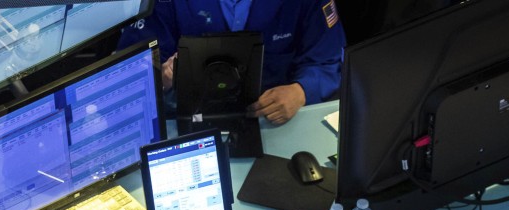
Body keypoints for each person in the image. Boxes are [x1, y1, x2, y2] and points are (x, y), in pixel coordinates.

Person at [118, 0, 347, 125]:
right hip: (185, 119)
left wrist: (302, 91)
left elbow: (328, 58)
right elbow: (131, 69)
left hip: (271, 119)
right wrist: (161, 76)